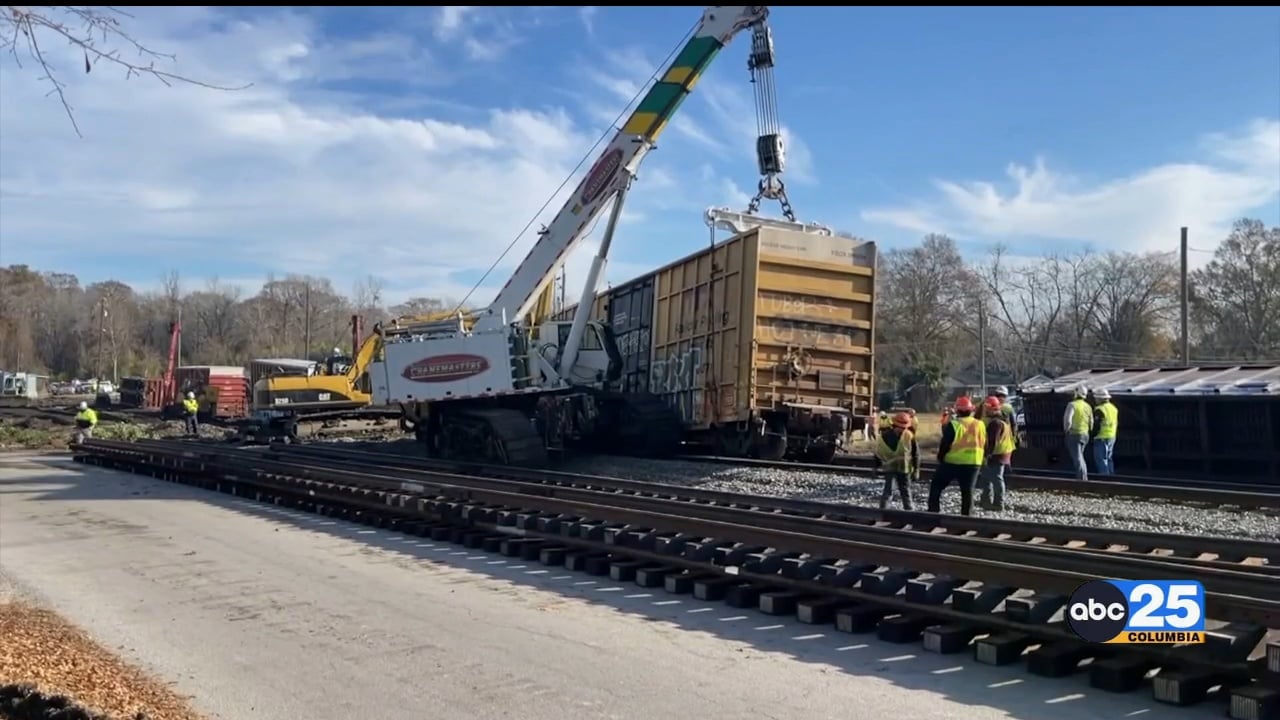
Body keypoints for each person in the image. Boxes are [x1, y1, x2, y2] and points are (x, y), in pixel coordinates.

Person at [928, 396, 986, 516]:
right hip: (974, 462)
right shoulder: (980, 424)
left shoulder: (954, 425)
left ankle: (933, 512)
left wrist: (940, 457)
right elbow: (985, 442)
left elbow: (945, 444)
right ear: (971, 410)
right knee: (967, 492)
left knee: (936, 486)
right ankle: (966, 518)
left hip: (952, 462)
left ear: (957, 410)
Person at [977, 396, 1015, 510]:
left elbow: (992, 442)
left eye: (987, 408)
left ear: (992, 408)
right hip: (1002, 454)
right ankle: (986, 500)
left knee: (996, 479)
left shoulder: (995, 423)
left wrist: (986, 455)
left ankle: (998, 503)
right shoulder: (1003, 419)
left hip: (996, 455)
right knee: (987, 478)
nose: (985, 410)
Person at [874, 412, 915, 510]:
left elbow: (915, 453)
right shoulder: (884, 437)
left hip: (904, 468)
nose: (903, 429)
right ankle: (884, 511)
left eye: (905, 427)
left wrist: (916, 469)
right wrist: (876, 467)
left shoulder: (909, 435)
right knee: (888, 491)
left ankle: (910, 512)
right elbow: (877, 454)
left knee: (906, 491)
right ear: (895, 425)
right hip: (890, 468)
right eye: (901, 427)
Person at [1063, 387, 1093, 481]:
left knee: (1078, 458)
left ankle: (1082, 479)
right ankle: (1082, 476)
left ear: (1076, 394)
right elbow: (1091, 422)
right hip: (1085, 435)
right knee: (1080, 456)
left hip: (1074, 434)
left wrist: (1066, 430)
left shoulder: (1072, 405)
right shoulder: (1088, 406)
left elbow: (1068, 420)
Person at [1091, 388, 1118, 475]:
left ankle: (1104, 479)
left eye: (1096, 398)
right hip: (1112, 436)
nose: (1095, 400)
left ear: (1100, 398)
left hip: (1101, 437)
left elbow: (1097, 425)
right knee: (1109, 458)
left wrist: (1092, 435)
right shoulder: (1113, 408)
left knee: (1101, 459)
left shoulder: (1099, 409)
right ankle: (1111, 476)